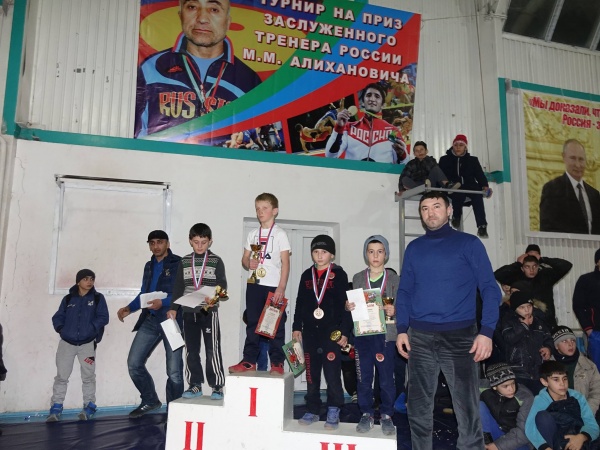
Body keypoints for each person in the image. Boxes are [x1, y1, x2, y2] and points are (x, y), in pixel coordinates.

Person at [395, 190, 501, 449]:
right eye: (425, 208)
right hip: (419, 337)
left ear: (449, 210)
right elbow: (405, 291)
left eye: (436, 206)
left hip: (461, 337)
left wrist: (487, 332)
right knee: (418, 407)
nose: (430, 213)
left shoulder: (469, 244)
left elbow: (490, 288)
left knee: (467, 409)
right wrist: (401, 329)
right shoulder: (414, 248)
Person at [134, 0, 262, 138]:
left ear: (228, 21)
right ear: (181, 15)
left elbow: (258, 138)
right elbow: (133, 133)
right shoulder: (150, 68)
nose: (202, 19)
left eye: (214, 9)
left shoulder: (250, 82)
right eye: (192, 7)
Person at [117, 230, 183, 419]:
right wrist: (129, 308)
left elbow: (183, 292)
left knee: (174, 372)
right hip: (151, 320)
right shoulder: (149, 265)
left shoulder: (179, 263)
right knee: (134, 363)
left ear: (167, 243)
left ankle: (175, 411)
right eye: (152, 243)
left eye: (159, 242)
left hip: (171, 320)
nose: (156, 246)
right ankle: (150, 400)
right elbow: (144, 294)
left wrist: (164, 302)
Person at [292, 235, 351, 430]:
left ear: (331, 254)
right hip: (310, 333)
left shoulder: (339, 275)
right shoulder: (306, 275)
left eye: (324, 252)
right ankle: (313, 408)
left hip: (331, 333)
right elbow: (300, 302)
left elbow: (346, 306)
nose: (319, 255)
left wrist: (344, 331)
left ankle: (334, 407)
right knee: (311, 374)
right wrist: (296, 327)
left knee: (332, 373)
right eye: (316, 252)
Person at [229, 193, 291, 375]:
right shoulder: (253, 234)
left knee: (275, 325)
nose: (260, 212)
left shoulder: (280, 234)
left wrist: (281, 287)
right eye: (257, 209)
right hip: (254, 283)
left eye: (264, 208)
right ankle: (249, 361)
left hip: (273, 286)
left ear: (275, 211)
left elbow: (286, 263)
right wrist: (248, 263)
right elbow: (244, 259)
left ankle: (277, 362)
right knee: (253, 324)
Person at [167, 223, 227, 400]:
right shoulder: (185, 261)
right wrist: (173, 308)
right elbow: (178, 286)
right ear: (190, 241)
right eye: (196, 242)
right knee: (191, 350)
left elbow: (222, 285)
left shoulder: (216, 261)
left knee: (212, 349)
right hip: (188, 311)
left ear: (210, 241)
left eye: (203, 242)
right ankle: (195, 384)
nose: (200, 246)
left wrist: (213, 297)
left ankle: (217, 386)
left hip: (208, 311)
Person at [347, 235, 399, 436]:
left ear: (386, 254)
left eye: (380, 251)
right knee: (364, 378)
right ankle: (366, 413)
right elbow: (355, 307)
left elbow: (403, 306)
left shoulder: (394, 279)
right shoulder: (358, 278)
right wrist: (348, 307)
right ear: (365, 254)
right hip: (363, 335)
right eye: (371, 252)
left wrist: (395, 310)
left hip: (386, 335)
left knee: (386, 379)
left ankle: (386, 415)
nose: (375, 256)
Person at [47, 269, 109, 422]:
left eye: (92, 279)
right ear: (78, 281)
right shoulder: (68, 299)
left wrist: (91, 329)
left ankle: (89, 405)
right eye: (86, 279)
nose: (89, 282)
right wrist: (62, 329)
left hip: (87, 345)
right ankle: (56, 406)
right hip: (66, 344)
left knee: (88, 376)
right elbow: (58, 317)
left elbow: (103, 317)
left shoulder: (98, 298)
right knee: (61, 376)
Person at [325, 82, 409, 164]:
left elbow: (404, 163)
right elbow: (330, 156)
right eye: (368, 95)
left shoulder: (393, 131)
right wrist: (339, 127)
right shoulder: (348, 127)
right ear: (362, 102)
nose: (372, 99)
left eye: (377, 96)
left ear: (383, 105)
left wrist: (403, 155)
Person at [525, 361, 599, 450]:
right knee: (542, 417)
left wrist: (581, 437)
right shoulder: (541, 399)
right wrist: (544, 447)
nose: (562, 384)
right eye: (556, 379)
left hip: (577, 438)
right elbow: (530, 428)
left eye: (564, 379)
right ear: (544, 382)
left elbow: (592, 424)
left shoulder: (577, 397)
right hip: (555, 441)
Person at [494, 248, 572, 329]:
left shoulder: (546, 277)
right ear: (522, 268)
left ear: (538, 266)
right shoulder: (517, 278)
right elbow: (497, 275)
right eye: (527, 267)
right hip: (524, 324)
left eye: (534, 266)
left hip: (547, 324)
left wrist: (543, 259)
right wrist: (517, 263)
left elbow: (566, 265)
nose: (532, 270)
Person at [540, 139, 600, 234]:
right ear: (564, 157)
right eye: (573, 158)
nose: (578, 165)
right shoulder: (552, 189)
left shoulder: (595, 195)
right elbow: (547, 230)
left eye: (581, 159)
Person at [498, 290, 553, 395]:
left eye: (529, 306)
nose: (527, 310)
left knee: (538, 396)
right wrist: (523, 326)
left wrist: (548, 348)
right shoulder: (508, 320)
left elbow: (548, 338)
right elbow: (509, 338)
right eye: (522, 307)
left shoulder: (538, 322)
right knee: (523, 397)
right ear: (515, 309)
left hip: (537, 370)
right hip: (518, 369)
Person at [438, 134, 492, 238]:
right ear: (452, 146)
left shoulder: (473, 160)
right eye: (456, 145)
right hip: (453, 188)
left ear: (465, 147)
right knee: (459, 192)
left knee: (477, 195)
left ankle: (482, 226)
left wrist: (485, 186)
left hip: (470, 186)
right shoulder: (444, 160)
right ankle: (456, 217)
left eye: (461, 145)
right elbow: (440, 176)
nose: (458, 147)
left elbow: (480, 175)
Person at [479, 363, 534, 450]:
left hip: (518, 440)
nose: (511, 389)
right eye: (505, 386)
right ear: (494, 387)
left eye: (513, 383)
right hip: (495, 431)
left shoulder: (525, 397)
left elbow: (524, 432)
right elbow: (464, 387)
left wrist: (497, 446)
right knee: (479, 406)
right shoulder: (484, 388)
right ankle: (485, 440)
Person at [551, 326, 600, 417]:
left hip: (585, 413)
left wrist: (586, 413)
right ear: (556, 346)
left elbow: (596, 392)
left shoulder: (589, 365)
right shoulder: (548, 367)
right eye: (564, 341)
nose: (570, 344)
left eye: (573, 340)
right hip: (558, 415)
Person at [573, 249, 600, 371]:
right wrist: (589, 330)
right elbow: (578, 306)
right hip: (596, 333)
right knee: (597, 371)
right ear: (597, 262)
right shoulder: (586, 280)